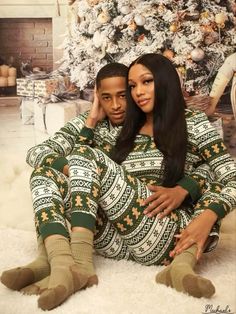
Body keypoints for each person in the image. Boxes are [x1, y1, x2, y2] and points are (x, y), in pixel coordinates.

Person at [0, 57, 233, 310]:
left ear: (164, 80)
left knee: (87, 158)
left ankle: (80, 263)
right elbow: (40, 154)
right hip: (115, 238)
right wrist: (88, 129)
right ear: (98, 97)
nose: (135, 94)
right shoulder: (119, 126)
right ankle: (55, 260)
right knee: (44, 174)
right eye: (133, 86)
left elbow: (220, 172)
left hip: (162, 228)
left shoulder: (191, 122)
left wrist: (193, 198)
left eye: (143, 83)